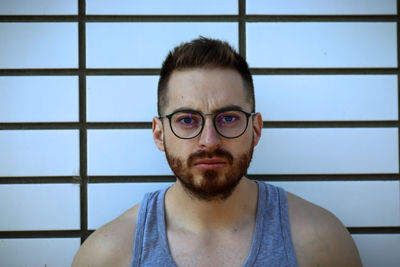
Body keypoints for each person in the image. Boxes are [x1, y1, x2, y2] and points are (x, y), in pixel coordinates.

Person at [72, 37, 362, 267]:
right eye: (187, 120)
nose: (209, 141)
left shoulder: (323, 243)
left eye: (229, 117)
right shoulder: (106, 255)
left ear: (256, 129)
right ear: (159, 134)